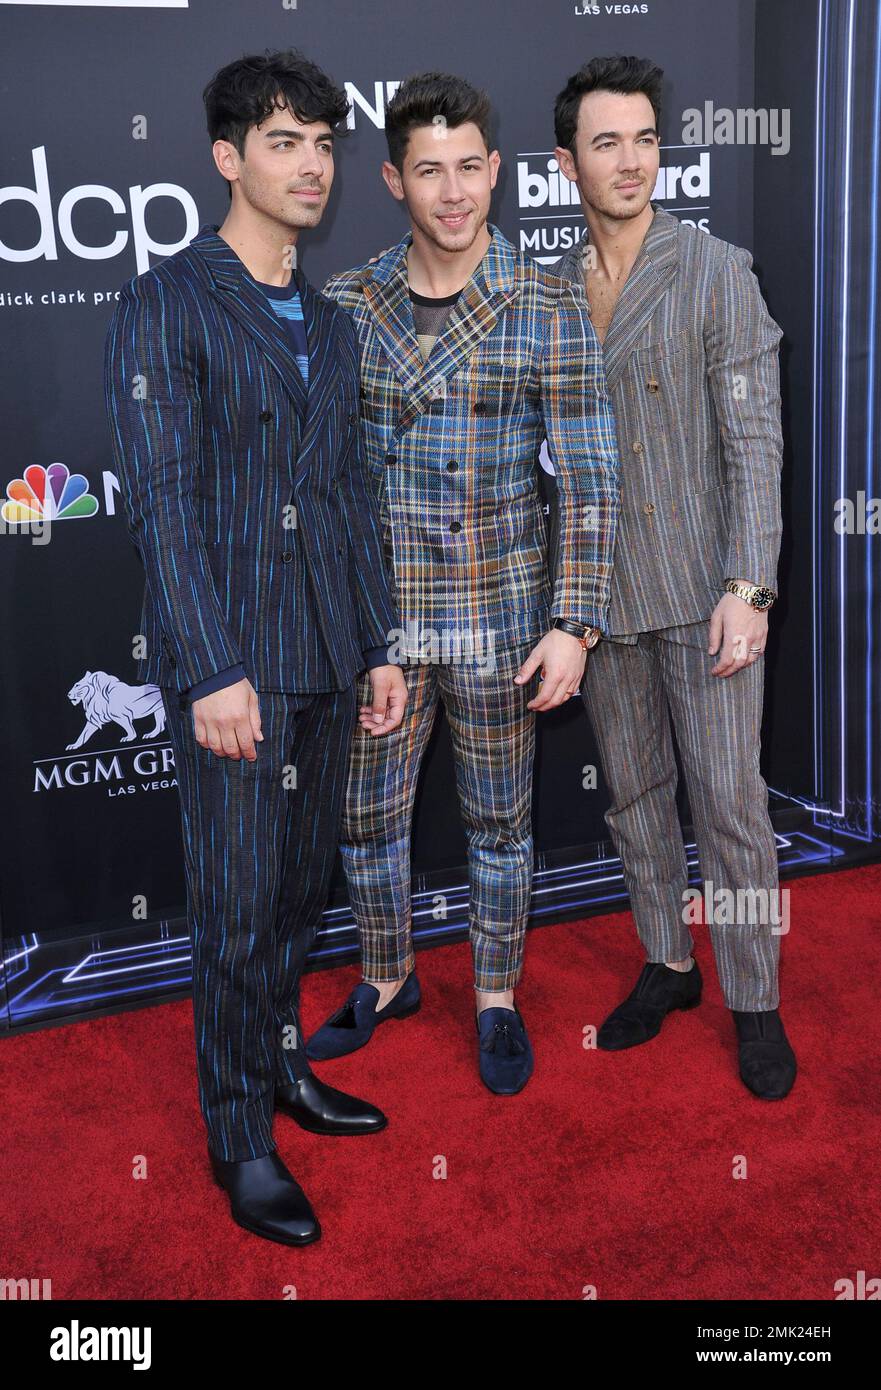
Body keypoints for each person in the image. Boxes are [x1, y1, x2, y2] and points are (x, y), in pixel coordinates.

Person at [103, 49, 408, 1247]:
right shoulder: (165, 299)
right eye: (284, 142)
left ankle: (282, 1071)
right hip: (238, 666)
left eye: (324, 143)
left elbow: (346, 495)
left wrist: (376, 641)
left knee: (295, 897)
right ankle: (237, 1134)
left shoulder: (330, 326)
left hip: (330, 652)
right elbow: (164, 503)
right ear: (228, 157)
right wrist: (209, 667)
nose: (313, 164)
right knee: (233, 910)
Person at [306, 71, 620, 1095]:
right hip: (382, 631)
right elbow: (327, 484)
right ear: (392, 179)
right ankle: (388, 976)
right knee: (365, 822)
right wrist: (353, 627)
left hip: (500, 620)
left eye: (468, 168)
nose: (451, 192)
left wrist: (573, 621)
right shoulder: (347, 304)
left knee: (497, 824)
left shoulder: (544, 302)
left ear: (496, 173)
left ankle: (494, 995)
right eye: (427, 170)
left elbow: (586, 475)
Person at [548, 54, 796, 1099]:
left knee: (729, 803)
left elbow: (753, 443)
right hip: (600, 603)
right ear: (566, 163)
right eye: (606, 142)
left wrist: (750, 584)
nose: (631, 160)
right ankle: (667, 960)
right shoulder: (549, 287)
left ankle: (753, 999)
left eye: (645, 138)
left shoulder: (711, 269)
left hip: (702, 596)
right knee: (635, 798)